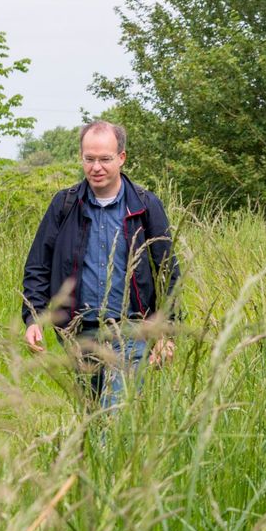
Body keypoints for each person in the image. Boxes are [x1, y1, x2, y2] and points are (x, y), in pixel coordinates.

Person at [21, 120, 179, 410]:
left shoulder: (146, 205)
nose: (96, 167)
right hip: (79, 332)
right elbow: (38, 266)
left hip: (133, 329)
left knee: (116, 412)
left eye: (105, 159)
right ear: (81, 158)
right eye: (89, 159)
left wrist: (166, 333)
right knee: (92, 414)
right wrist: (33, 318)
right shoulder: (64, 205)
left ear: (121, 158)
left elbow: (168, 271)